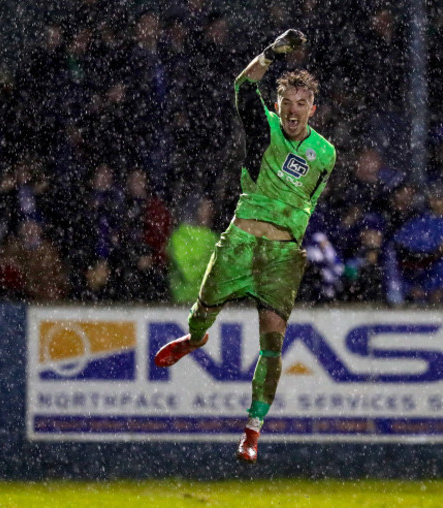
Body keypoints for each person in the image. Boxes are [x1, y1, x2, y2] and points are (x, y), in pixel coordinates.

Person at [153, 29, 336, 463]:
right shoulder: (264, 129)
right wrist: (273, 51)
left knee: (273, 346)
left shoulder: (325, 153)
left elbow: (308, 202)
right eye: (286, 103)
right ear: (277, 107)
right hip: (240, 241)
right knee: (202, 312)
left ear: (313, 108)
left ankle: (252, 432)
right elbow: (242, 85)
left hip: (280, 256)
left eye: (300, 104)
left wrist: (293, 242)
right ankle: (195, 339)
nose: (293, 111)